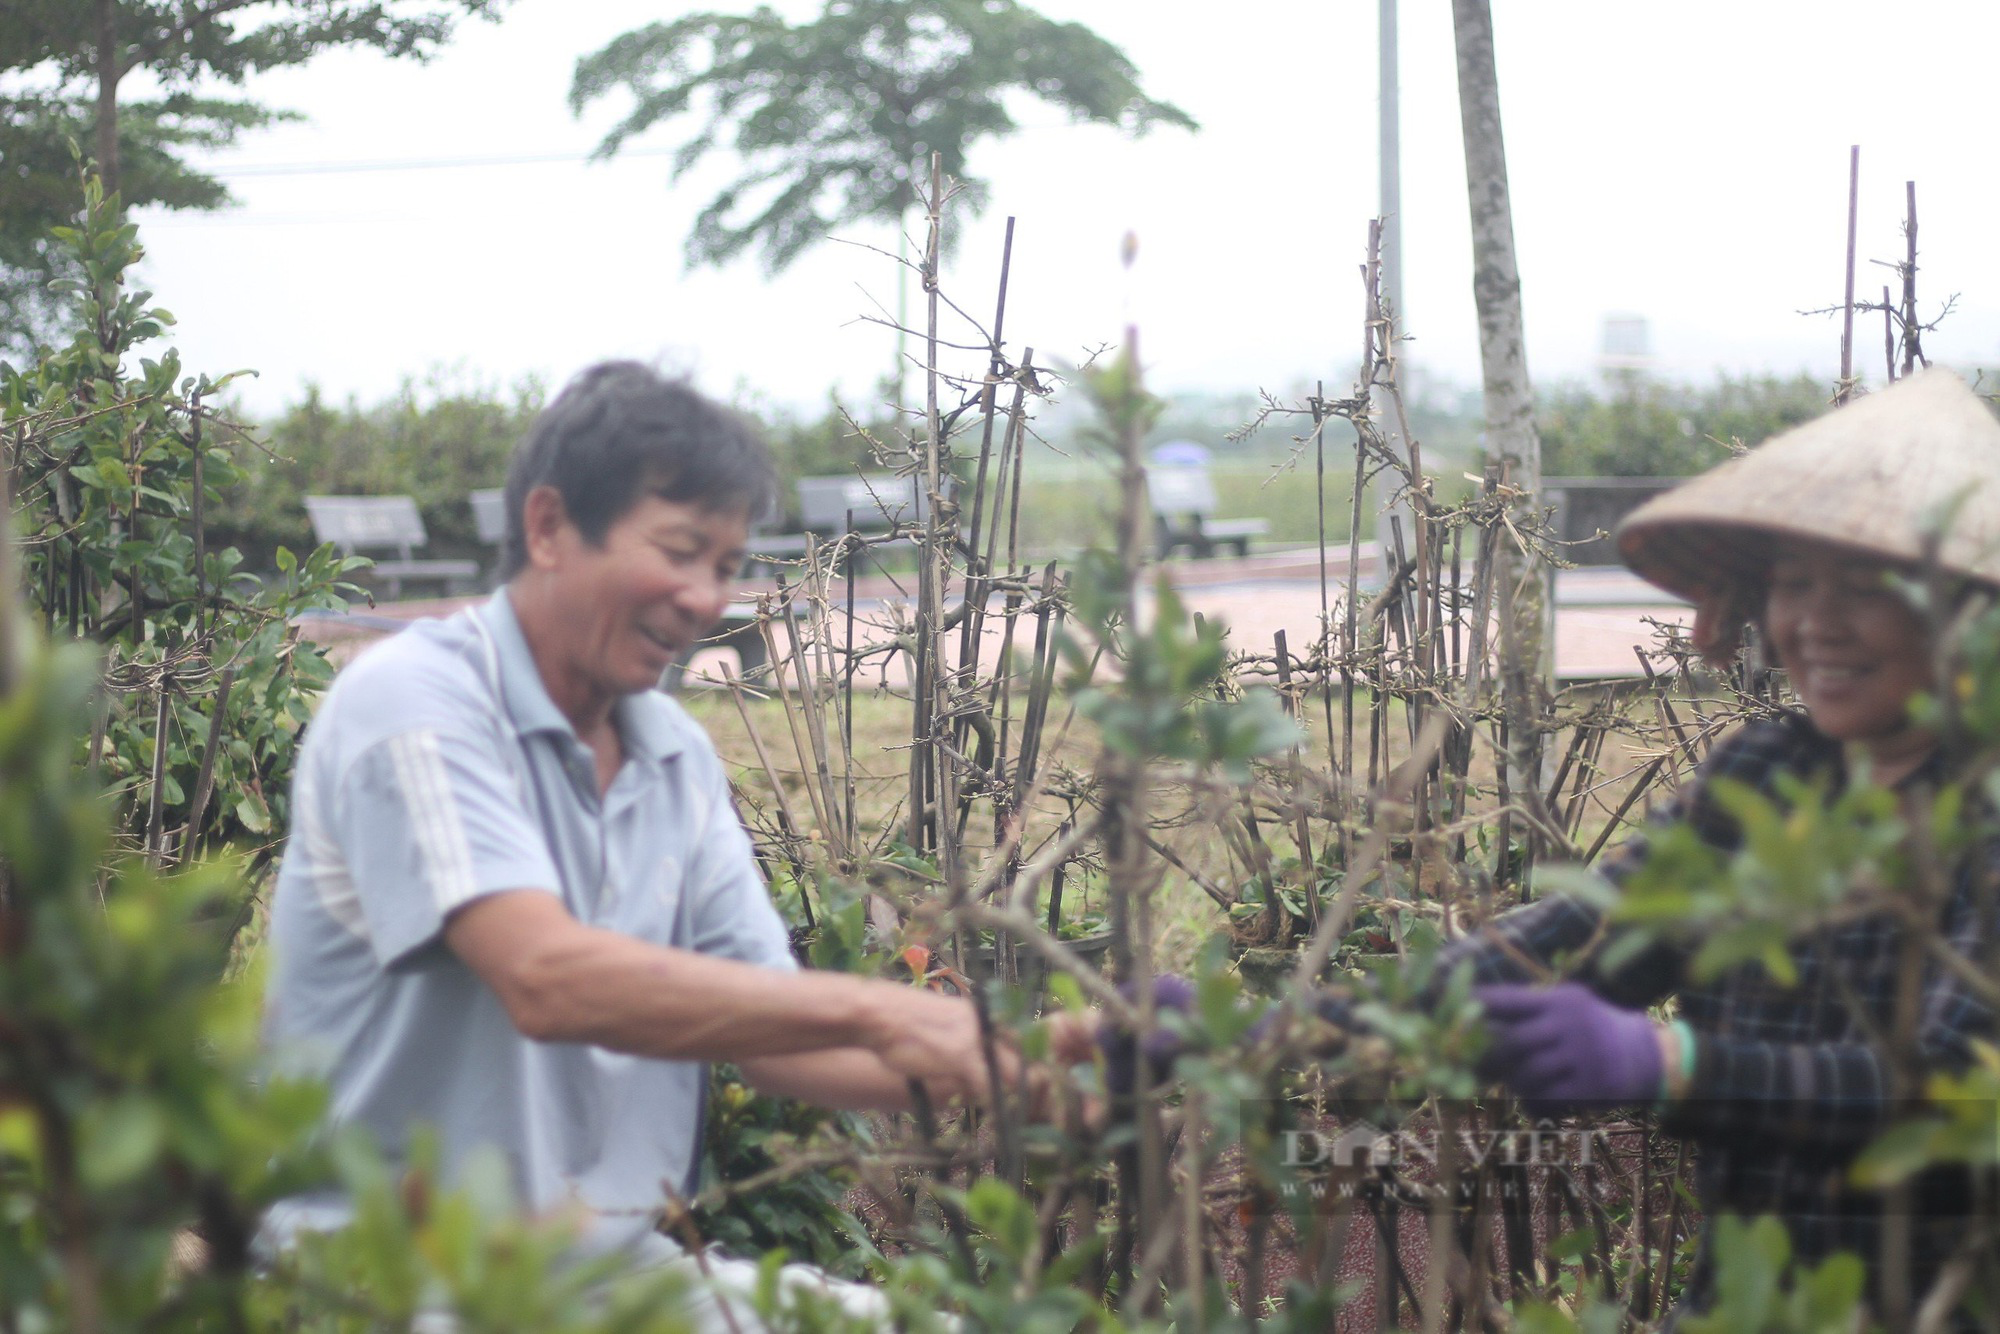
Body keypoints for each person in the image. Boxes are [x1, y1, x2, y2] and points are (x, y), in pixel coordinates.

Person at [260, 361, 1015, 1327]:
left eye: (729, 565)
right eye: (680, 550)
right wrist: (881, 1011)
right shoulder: (414, 710)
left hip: (610, 1280)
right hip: (384, 1285)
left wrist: (994, 1068)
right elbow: (544, 978)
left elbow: (779, 1044)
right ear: (547, 528)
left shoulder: (673, 759)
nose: (706, 598)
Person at [1435, 367, 2000, 1325]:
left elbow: (1949, 1090)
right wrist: (1260, 1033)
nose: (1815, 624)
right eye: (1791, 584)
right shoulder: (1770, 773)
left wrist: (1673, 1064)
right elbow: (1575, 932)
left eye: (1865, 586)